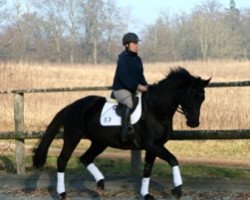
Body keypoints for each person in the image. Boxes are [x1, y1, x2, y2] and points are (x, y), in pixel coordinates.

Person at [112, 32, 148, 147]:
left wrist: (146, 86)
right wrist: (138, 86)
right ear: (126, 45)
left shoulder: (137, 59)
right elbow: (124, 78)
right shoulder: (123, 58)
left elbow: (140, 76)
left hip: (132, 89)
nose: (136, 45)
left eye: (137, 43)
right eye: (134, 43)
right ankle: (124, 132)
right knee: (129, 102)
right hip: (121, 89)